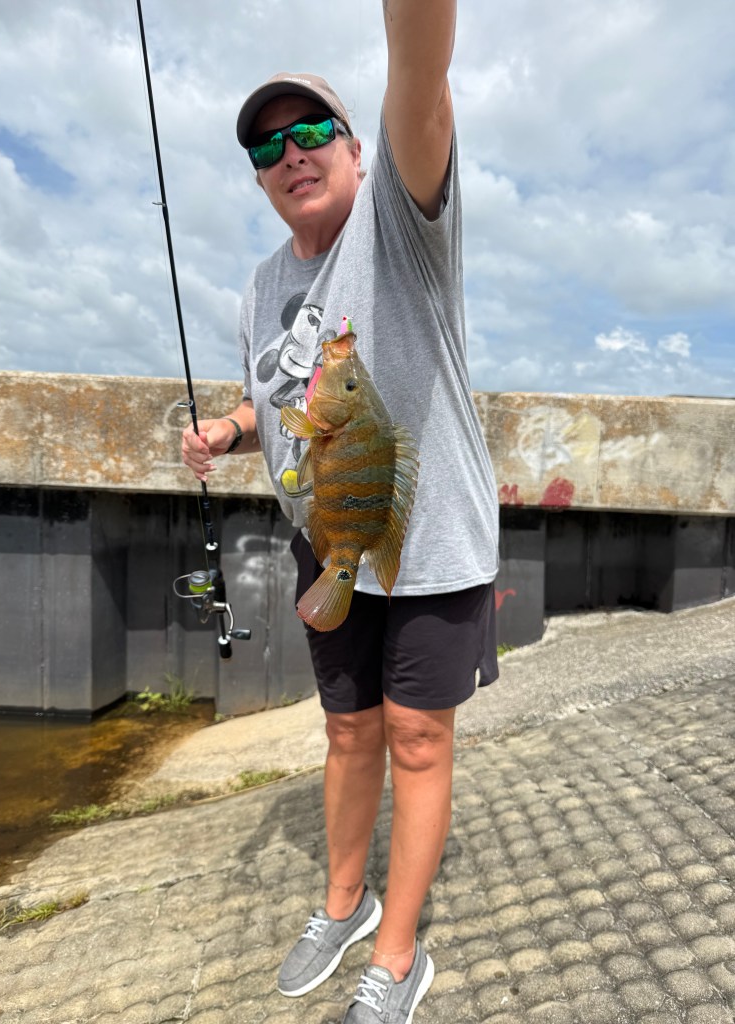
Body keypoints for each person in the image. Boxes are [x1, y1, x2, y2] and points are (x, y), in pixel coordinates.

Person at [182, 2, 499, 1020]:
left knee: (417, 737)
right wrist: (229, 430)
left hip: (430, 538)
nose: (292, 154)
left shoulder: (401, 218)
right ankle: (343, 902)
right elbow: (273, 395)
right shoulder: (259, 285)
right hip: (329, 546)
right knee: (348, 731)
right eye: (267, 147)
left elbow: (420, 73)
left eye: (313, 130)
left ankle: (398, 957)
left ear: (359, 149)